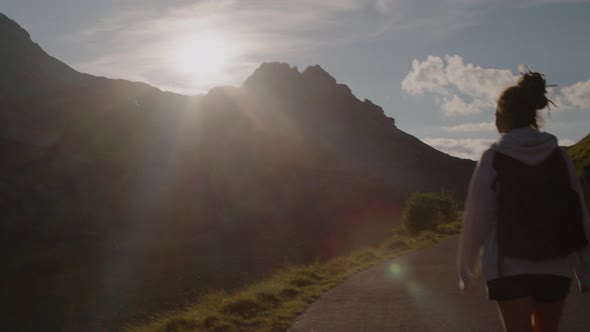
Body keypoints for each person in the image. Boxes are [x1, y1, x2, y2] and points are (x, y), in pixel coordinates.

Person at [457, 70, 590, 332]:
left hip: (508, 268)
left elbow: (477, 218)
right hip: (555, 266)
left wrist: (466, 270)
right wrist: (585, 268)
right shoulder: (558, 156)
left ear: (502, 117)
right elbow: (577, 212)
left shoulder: (493, 157)